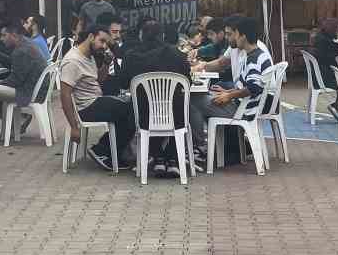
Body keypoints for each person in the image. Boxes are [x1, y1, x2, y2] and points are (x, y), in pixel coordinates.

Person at [105, 18, 193, 177]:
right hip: (175, 117)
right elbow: (188, 82)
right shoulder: (178, 55)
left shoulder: (131, 56)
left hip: (143, 116)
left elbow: (124, 84)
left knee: (142, 105)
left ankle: (158, 156)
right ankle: (172, 159)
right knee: (182, 105)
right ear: (163, 35)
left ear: (141, 36)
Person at [190, 17, 274, 165]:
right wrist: (230, 91)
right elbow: (245, 81)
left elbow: (254, 87)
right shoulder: (253, 53)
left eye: (232, 34)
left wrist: (229, 95)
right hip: (244, 103)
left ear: (242, 36)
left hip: (244, 108)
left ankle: (200, 147)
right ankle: (217, 147)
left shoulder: (254, 57)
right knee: (207, 95)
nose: (230, 38)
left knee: (193, 100)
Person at [58, 25, 135, 171]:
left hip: (95, 100)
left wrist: (106, 63)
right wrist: (74, 127)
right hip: (86, 107)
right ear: (91, 37)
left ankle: (111, 151)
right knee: (133, 110)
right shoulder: (72, 61)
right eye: (102, 41)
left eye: (106, 43)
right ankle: (102, 150)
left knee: (132, 108)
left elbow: (97, 80)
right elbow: (64, 94)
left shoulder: (89, 56)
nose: (104, 46)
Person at [0, 20, 49, 136]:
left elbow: (15, 81)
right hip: (37, 89)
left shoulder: (21, 51)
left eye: (4, 35)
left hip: (28, 93)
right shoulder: (27, 43)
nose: (1, 39)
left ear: (14, 35)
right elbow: (16, 64)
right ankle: (9, 130)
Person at [309, 15, 338, 94]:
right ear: (334, 29)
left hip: (317, 78)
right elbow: (333, 60)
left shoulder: (319, 37)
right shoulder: (328, 42)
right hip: (325, 80)